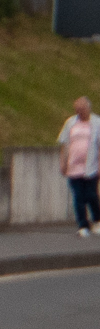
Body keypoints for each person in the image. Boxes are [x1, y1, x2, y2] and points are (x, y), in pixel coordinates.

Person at [63, 96, 100, 237]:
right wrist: (63, 162)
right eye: (77, 109)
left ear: (88, 108)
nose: (79, 112)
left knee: (91, 195)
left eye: (82, 109)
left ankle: (97, 219)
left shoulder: (96, 122)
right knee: (78, 196)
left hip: (91, 167)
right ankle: (83, 225)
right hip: (74, 167)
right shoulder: (71, 122)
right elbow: (64, 142)